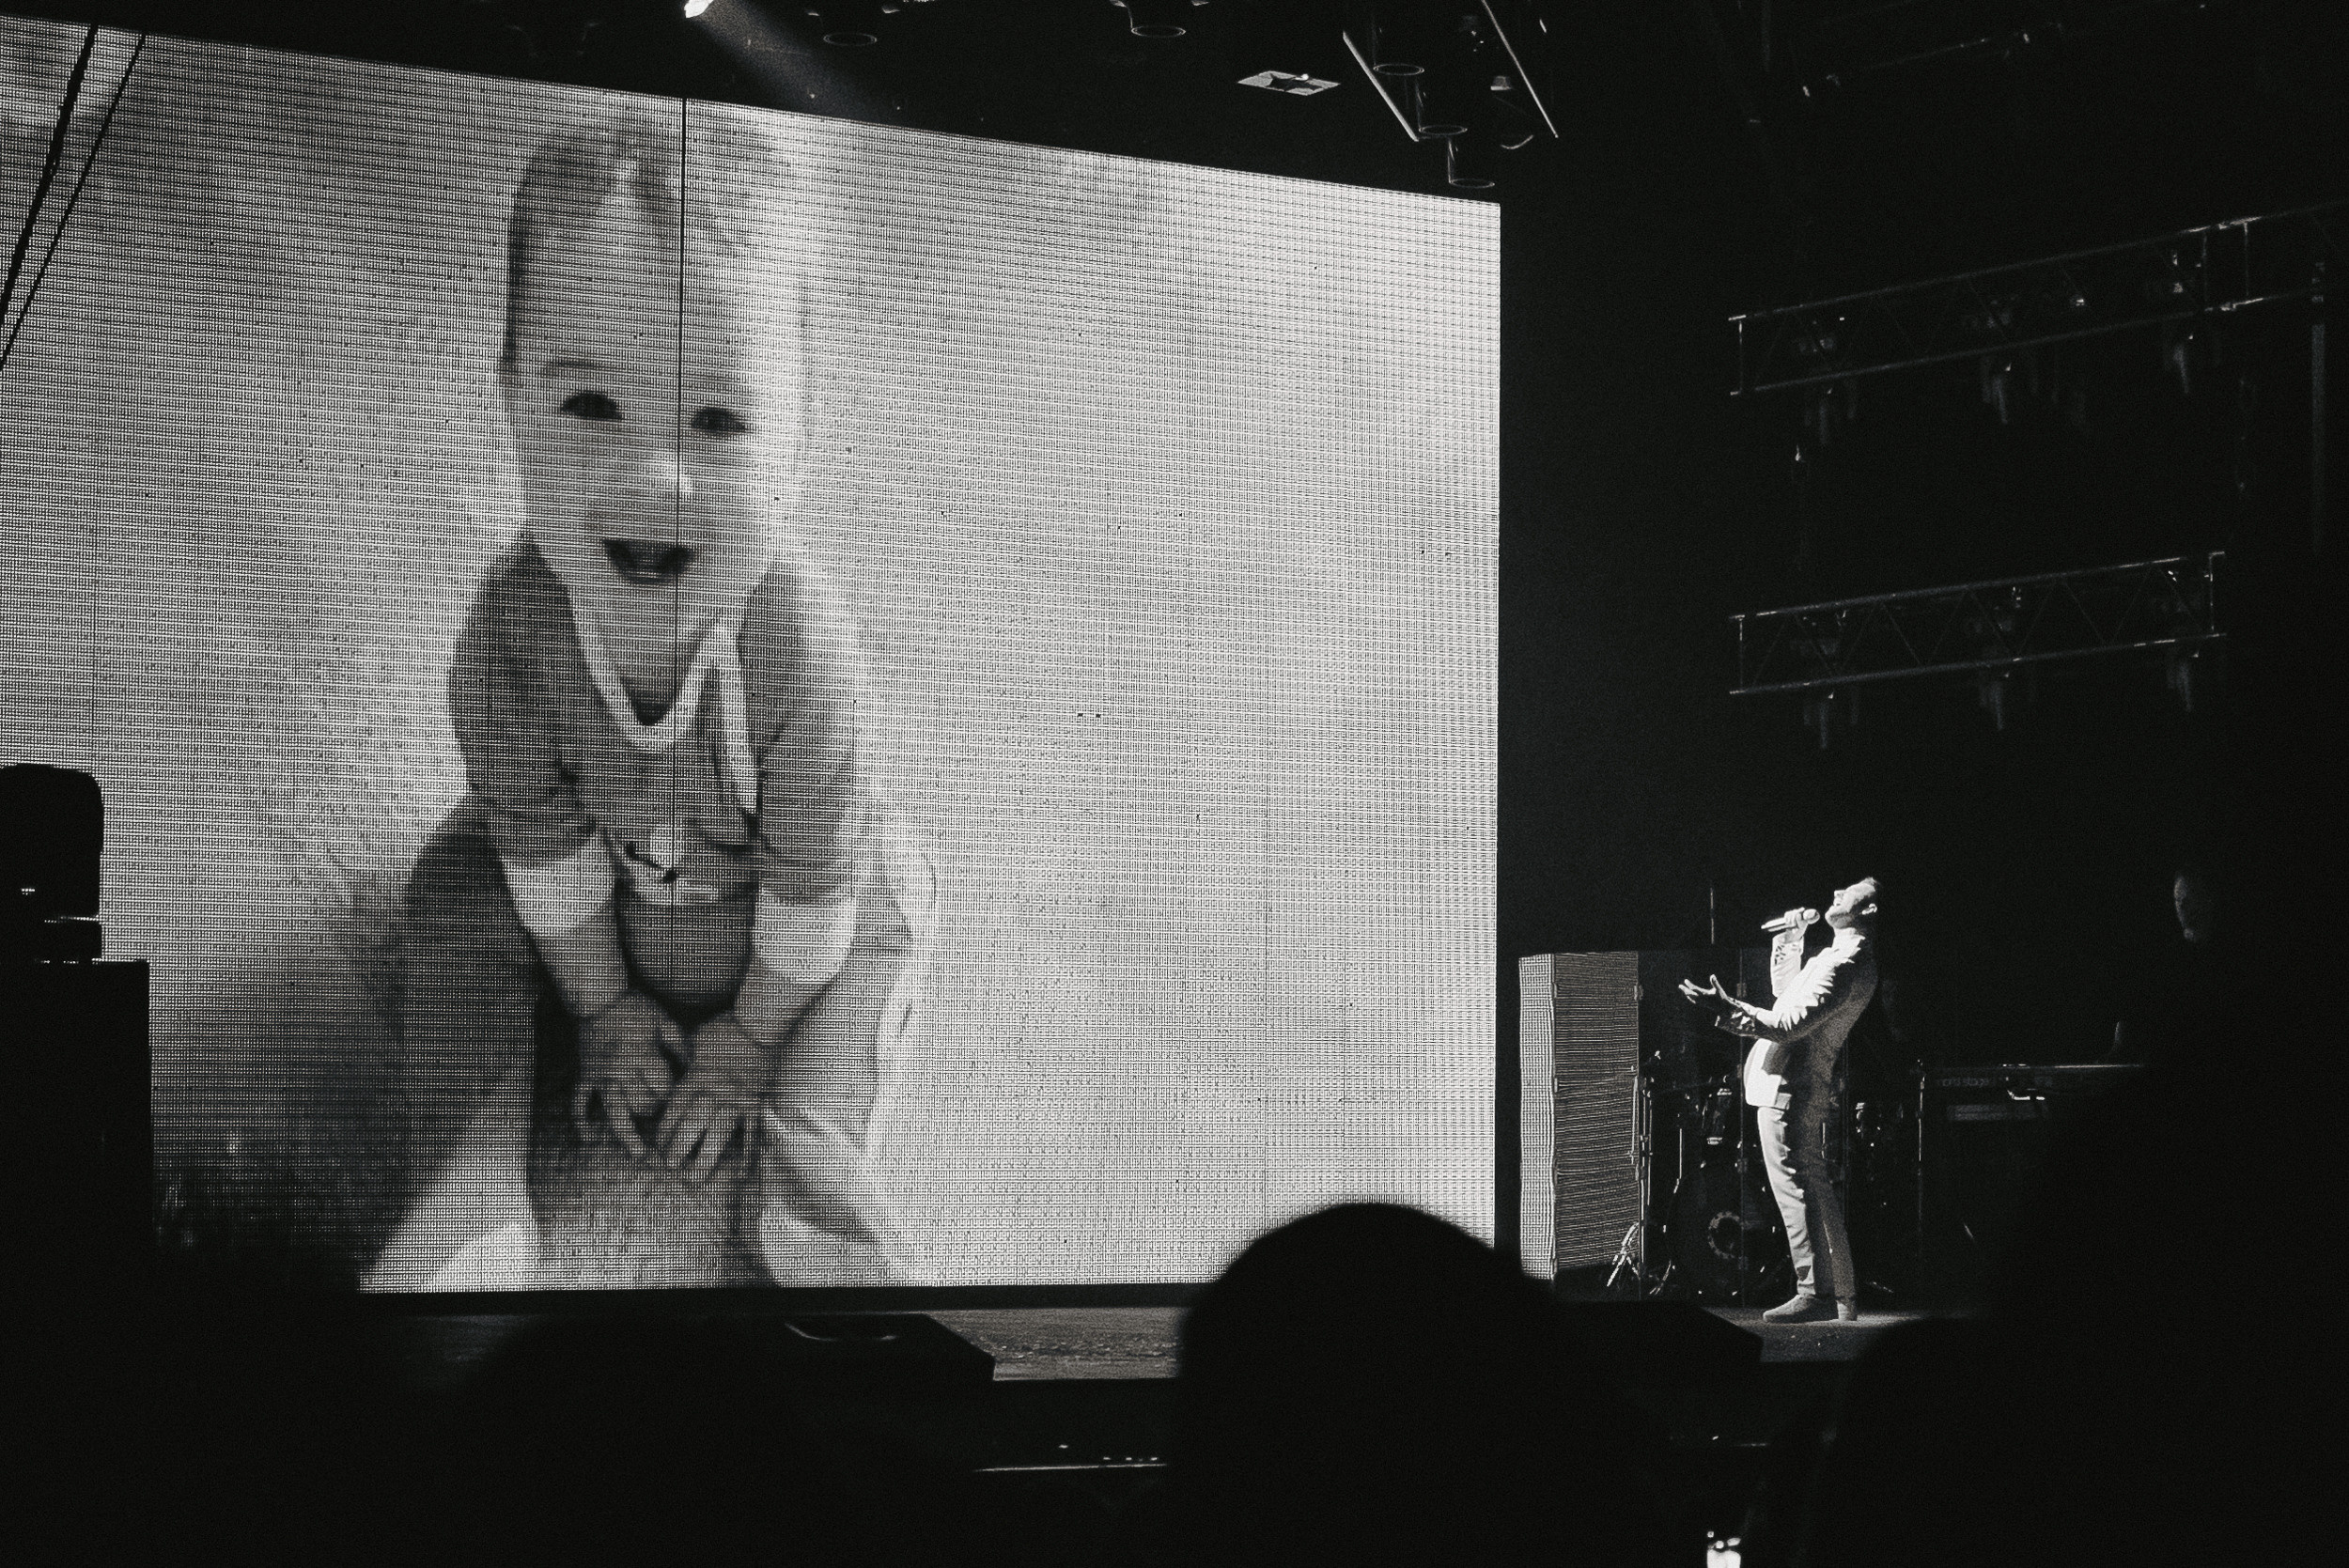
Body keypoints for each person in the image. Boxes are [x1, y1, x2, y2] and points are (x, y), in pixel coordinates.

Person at [366, 114, 932, 1290]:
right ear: (512, 397)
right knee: (457, 876)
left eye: (718, 422)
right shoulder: (508, 637)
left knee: (879, 907)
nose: (651, 477)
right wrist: (609, 1008)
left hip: (793, 907)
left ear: (804, 441)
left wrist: (743, 1045)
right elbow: (540, 839)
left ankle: (813, 1180)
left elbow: (813, 884)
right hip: (607, 902)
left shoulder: (799, 650)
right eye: (588, 409)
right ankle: (467, 1186)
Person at [1680, 877, 1879, 1325]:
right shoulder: (1840, 955)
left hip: (1790, 1088)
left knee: (1797, 1193)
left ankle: (1816, 1292)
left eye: (1849, 895)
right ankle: (1839, 1294)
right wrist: (1791, 940)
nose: (1835, 896)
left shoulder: (1846, 960)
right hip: (1792, 1087)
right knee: (1812, 1191)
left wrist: (1726, 1009)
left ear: (1868, 912)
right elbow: (1786, 995)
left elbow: (1787, 1024)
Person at [2103, 863, 2219, 1065]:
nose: (2181, 907)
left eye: (2187, 898)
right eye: (2177, 900)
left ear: (2208, 899)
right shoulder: (2169, 960)